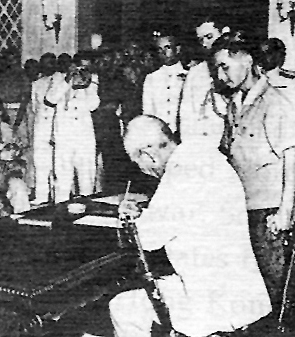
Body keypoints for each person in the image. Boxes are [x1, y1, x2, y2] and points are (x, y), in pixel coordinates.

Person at [110, 115, 271, 337]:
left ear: (148, 155)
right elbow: (187, 214)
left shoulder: (179, 175)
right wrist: (146, 214)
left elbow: (147, 239)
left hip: (213, 303)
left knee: (123, 307)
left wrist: (130, 218)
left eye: (140, 164)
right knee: (144, 296)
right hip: (241, 293)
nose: (145, 171)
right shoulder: (207, 159)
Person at [210, 31, 295, 314]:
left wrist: (284, 212)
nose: (221, 75)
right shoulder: (236, 104)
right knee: (249, 286)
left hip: (268, 211)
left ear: (246, 60)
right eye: (217, 69)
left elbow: (291, 157)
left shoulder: (275, 102)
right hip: (242, 207)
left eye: (225, 66)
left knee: (274, 288)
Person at [45, 51, 100, 203]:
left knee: (87, 180)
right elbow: (50, 99)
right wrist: (68, 81)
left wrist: (87, 84)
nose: (82, 72)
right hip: (64, 138)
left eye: (87, 68)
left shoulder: (93, 80)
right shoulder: (59, 79)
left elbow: (93, 105)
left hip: (84, 139)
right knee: (62, 182)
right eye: (80, 68)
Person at [178, 14, 230, 147]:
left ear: (224, 33)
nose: (205, 44)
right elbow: (187, 117)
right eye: (201, 40)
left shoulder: (239, 69)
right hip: (203, 148)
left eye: (209, 37)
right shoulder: (195, 74)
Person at [142, 33, 187, 134]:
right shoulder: (151, 78)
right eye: (159, 49)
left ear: (178, 49)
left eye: (168, 48)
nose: (163, 52)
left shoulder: (189, 74)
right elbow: (148, 112)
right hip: (161, 134)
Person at [31, 53, 58, 204]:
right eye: (45, 63)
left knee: (57, 163)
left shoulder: (60, 80)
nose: (48, 66)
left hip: (56, 126)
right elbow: (36, 108)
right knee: (40, 161)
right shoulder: (36, 83)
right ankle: (41, 195)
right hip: (41, 127)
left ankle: (57, 196)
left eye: (51, 63)